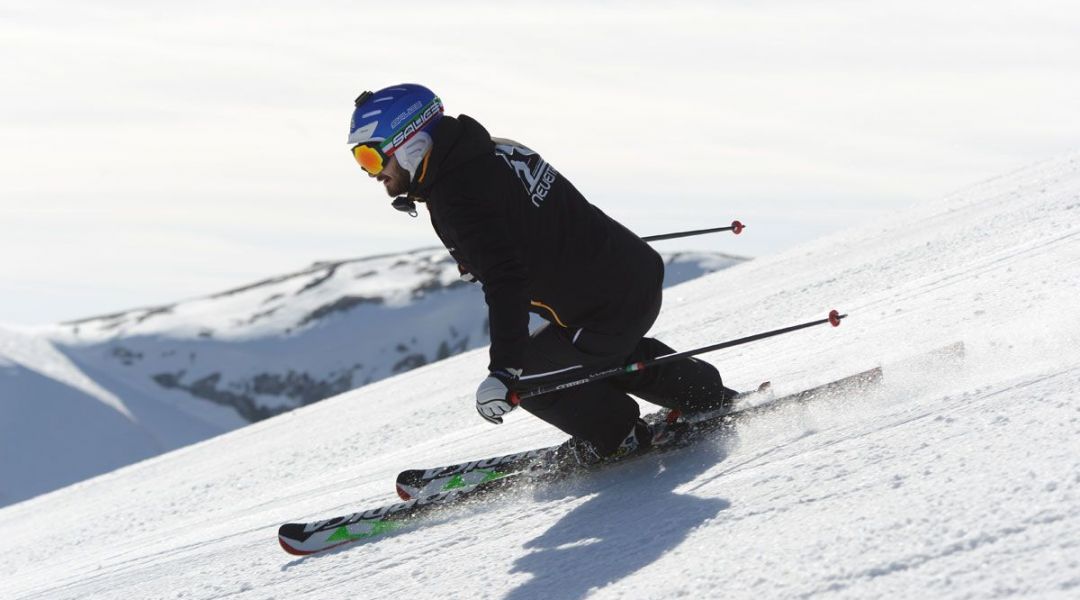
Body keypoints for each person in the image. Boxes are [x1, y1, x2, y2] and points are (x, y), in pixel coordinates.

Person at [347, 84, 736, 466]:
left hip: (603, 308)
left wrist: (504, 371)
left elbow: (506, 282)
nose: (371, 174)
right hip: (633, 273)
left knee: (530, 379)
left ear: (410, 143)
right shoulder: (492, 148)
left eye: (371, 158)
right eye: (361, 162)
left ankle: (619, 436)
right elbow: (542, 214)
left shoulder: (456, 194)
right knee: (594, 350)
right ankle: (702, 395)